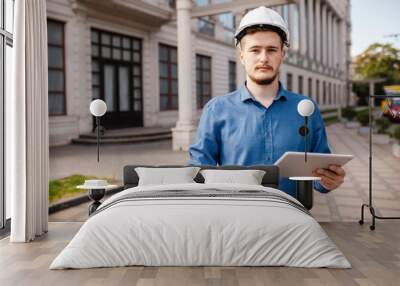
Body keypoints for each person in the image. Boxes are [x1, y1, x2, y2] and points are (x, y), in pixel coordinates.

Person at [188, 6, 345, 198]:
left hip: (292, 217)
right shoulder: (217, 109)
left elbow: (320, 176)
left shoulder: (307, 108)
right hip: (236, 217)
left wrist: (328, 181)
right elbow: (197, 173)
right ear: (242, 56)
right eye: (255, 50)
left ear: (282, 55)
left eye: (271, 50)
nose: (264, 58)